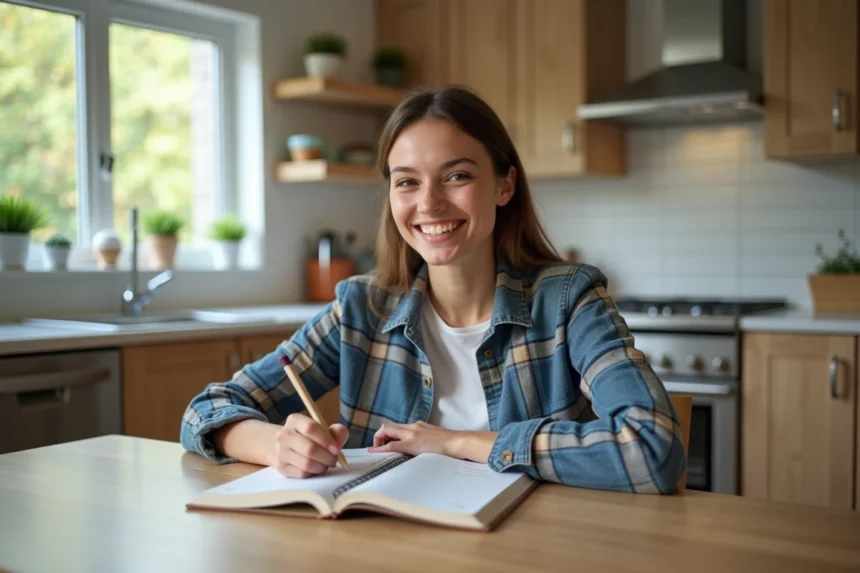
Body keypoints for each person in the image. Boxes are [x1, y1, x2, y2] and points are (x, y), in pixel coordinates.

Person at [181, 85, 686, 494]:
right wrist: (276, 446)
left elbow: (652, 447)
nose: (430, 203)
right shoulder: (361, 309)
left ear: (505, 185)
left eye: (457, 176)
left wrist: (459, 442)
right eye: (407, 182)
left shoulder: (568, 300)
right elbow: (206, 410)